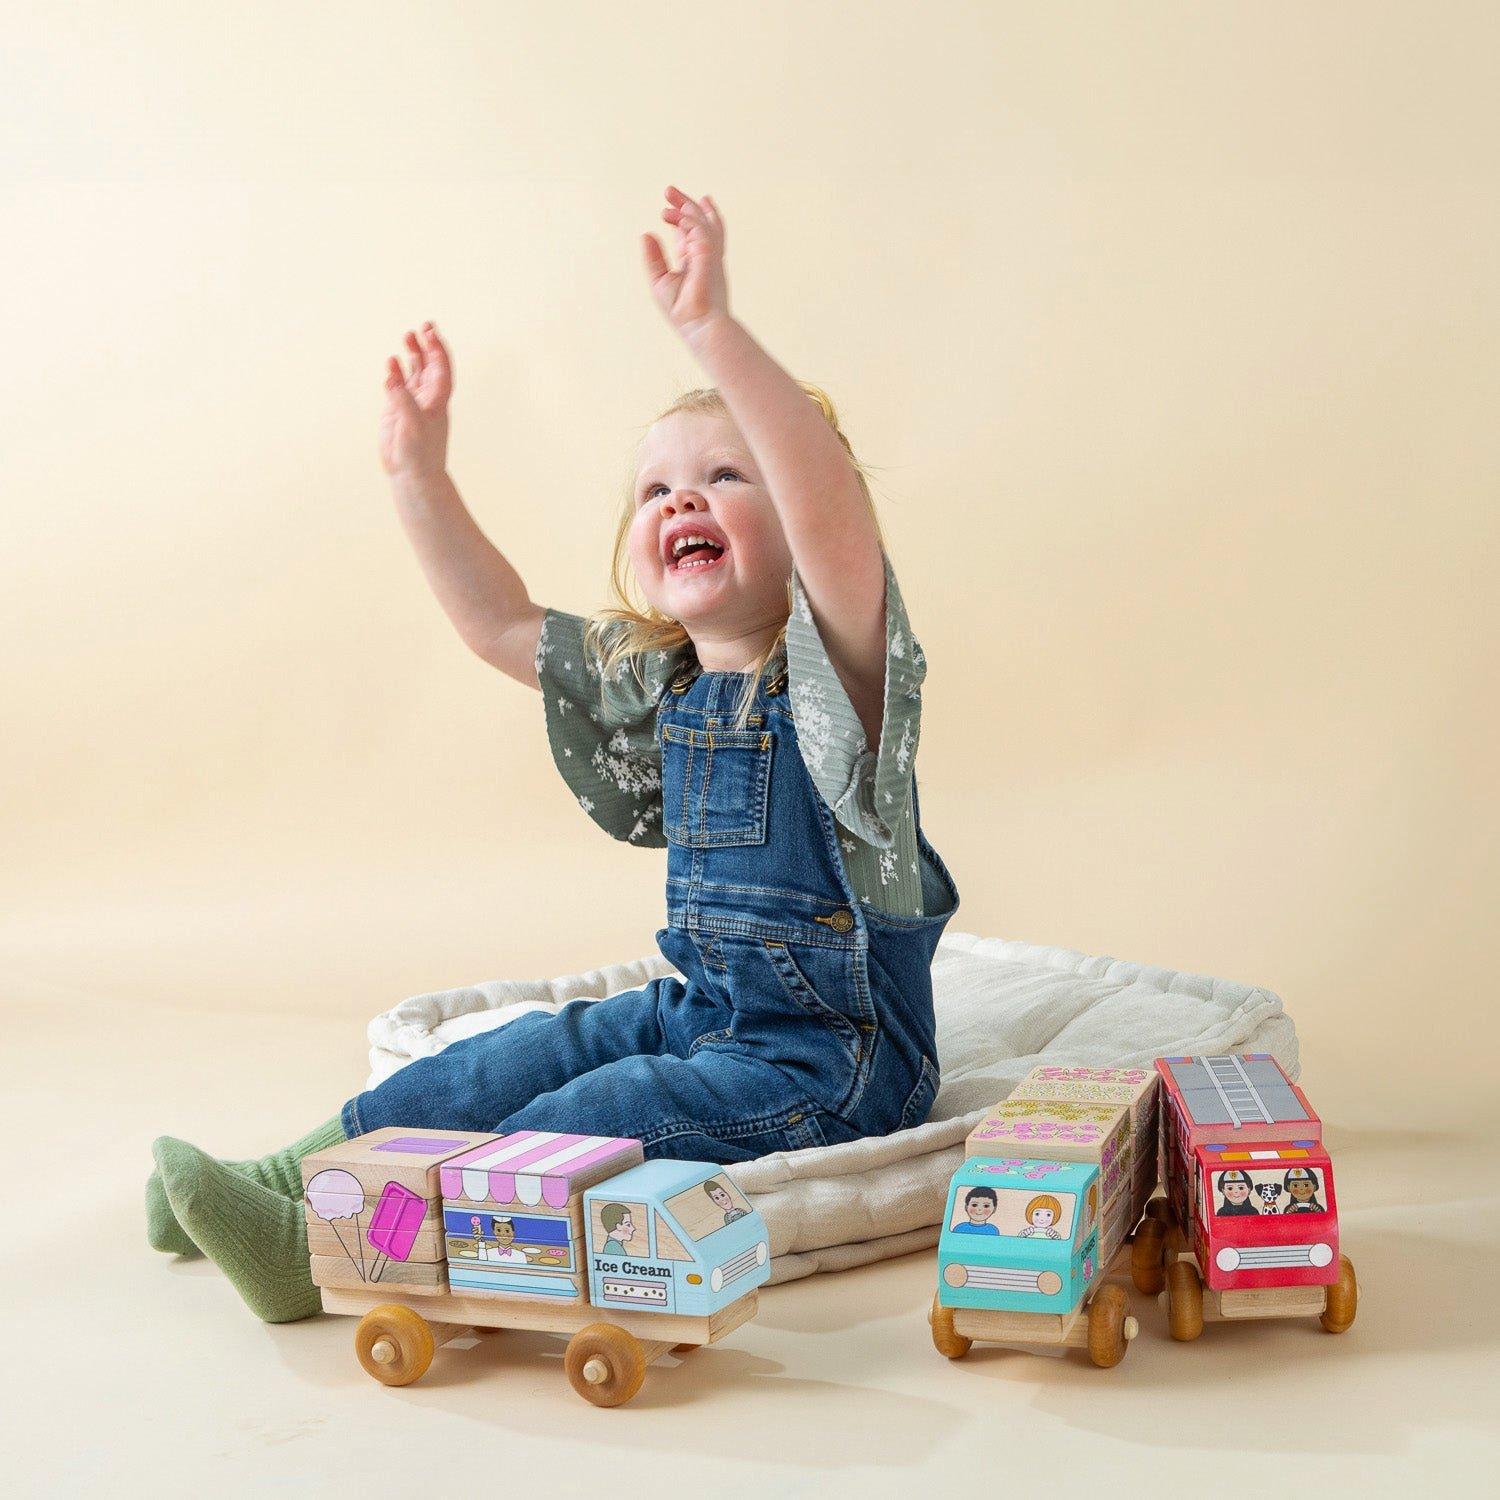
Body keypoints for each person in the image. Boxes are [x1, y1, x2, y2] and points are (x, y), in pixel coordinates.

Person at [144, 185, 960, 1323]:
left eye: (729, 474)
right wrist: (416, 476)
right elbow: (500, 624)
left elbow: (836, 524)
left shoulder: (839, 680)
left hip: (829, 1068)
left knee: (598, 1108)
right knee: (510, 1059)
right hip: (703, 1012)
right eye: (660, 485)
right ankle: (286, 1176)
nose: (686, 495)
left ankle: (324, 1250)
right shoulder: (666, 680)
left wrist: (712, 334)